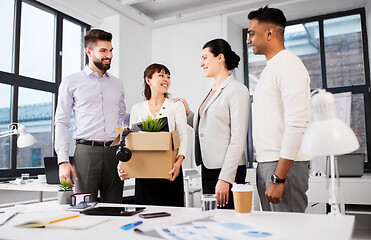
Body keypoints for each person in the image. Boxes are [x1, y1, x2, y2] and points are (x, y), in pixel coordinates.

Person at [247, 6, 312, 212]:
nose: (248, 40)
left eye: (251, 34)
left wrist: (279, 177)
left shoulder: (289, 65)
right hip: (267, 163)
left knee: (289, 231)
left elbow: (297, 123)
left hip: (283, 167)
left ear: (269, 33)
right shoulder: (270, 68)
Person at [55, 29, 130, 203]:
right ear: (89, 51)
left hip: (115, 152)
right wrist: (63, 161)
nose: (109, 55)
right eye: (103, 51)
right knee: (84, 209)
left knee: (114, 207)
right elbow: (61, 122)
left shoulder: (117, 84)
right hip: (86, 153)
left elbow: (122, 117)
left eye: (110, 50)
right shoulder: (71, 82)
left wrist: (146, 113)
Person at [175, 39, 250, 209]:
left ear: (220, 58)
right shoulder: (213, 89)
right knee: (212, 218)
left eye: (205, 57)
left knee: (227, 220)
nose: (202, 63)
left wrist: (225, 178)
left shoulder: (237, 90)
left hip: (227, 169)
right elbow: (207, 127)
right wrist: (188, 113)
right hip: (209, 167)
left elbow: (238, 138)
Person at [118, 63, 188, 207]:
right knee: (144, 217)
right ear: (148, 80)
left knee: (172, 217)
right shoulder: (137, 108)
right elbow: (131, 140)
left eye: (168, 76)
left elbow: (183, 136)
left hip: (170, 171)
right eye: (161, 75)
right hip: (145, 173)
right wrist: (123, 164)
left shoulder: (176, 106)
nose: (166, 79)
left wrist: (178, 163)